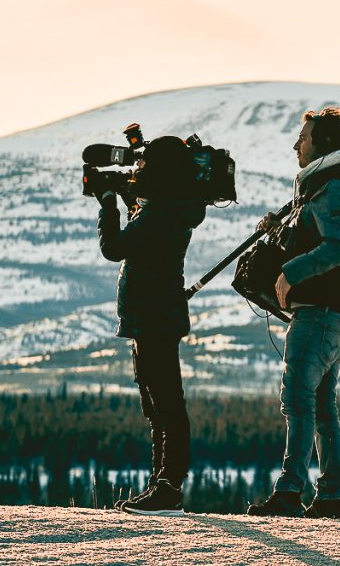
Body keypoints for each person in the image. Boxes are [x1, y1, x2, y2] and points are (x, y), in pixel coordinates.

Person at [247, 107, 340, 519]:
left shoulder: (336, 187)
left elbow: (338, 246)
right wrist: (279, 234)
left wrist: (290, 272)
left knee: (297, 399)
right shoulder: (325, 186)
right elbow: (315, 238)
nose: (295, 145)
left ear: (322, 143)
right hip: (328, 308)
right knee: (322, 403)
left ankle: (290, 492)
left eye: (302, 138)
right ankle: (329, 498)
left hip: (321, 310)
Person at [95, 135, 206, 515]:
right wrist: (130, 204)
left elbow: (114, 248)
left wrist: (107, 201)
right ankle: (162, 484)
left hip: (153, 317)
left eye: (143, 166)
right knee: (159, 406)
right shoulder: (169, 208)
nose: (137, 171)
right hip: (154, 317)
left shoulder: (162, 213)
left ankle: (168, 488)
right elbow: (139, 241)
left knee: (165, 406)